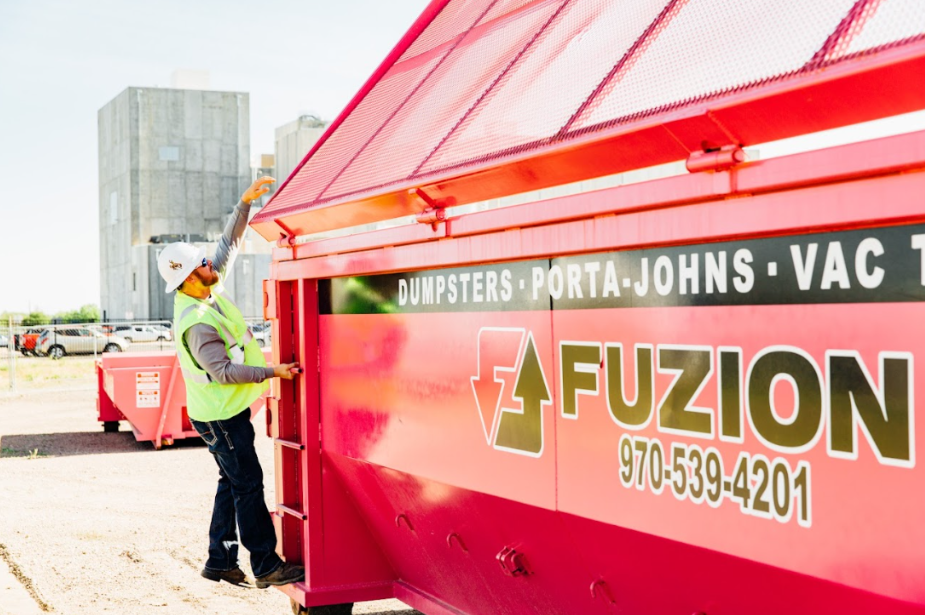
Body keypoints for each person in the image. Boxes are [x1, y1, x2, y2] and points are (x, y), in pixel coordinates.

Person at [156, 176, 304, 590]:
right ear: (187, 278)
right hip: (220, 418)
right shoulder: (197, 322)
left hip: (221, 415)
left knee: (232, 480)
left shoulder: (204, 290)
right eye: (201, 264)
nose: (210, 265)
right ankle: (264, 565)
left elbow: (228, 247)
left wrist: (243, 205)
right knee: (248, 484)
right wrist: (274, 371)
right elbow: (222, 372)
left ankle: (219, 559)